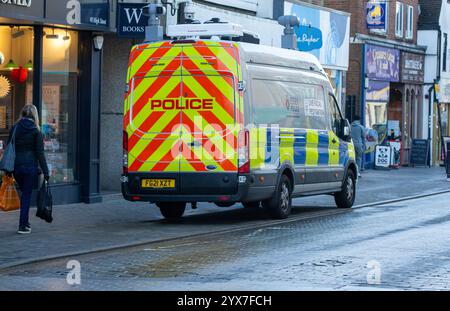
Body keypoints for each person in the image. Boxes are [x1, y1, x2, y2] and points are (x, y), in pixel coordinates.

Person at [7, 105, 49, 234]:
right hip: (30, 167)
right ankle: (23, 225)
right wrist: (46, 171)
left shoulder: (15, 128)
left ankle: (25, 222)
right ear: (34, 115)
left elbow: (10, 146)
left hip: (16, 167)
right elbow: (40, 154)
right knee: (26, 195)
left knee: (23, 194)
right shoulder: (36, 131)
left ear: (22, 113)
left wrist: (8, 170)